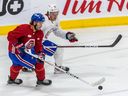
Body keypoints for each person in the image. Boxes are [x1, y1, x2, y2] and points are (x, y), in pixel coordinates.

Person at [7, 13, 52, 86]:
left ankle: (11, 80)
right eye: (39, 23)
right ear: (34, 22)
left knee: (17, 66)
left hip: (24, 53)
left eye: (42, 23)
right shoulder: (24, 28)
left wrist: (40, 53)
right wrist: (18, 45)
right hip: (15, 53)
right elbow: (10, 36)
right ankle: (41, 80)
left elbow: (38, 45)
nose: (41, 25)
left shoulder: (39, 33)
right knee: (37, 63)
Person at [41, 4, 78, 74]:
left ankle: (58, 68)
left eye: (56, 13)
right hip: (36, 41)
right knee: (57, 49)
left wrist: (67, 35)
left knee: (59, 49)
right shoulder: (43, 22)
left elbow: (57, 31)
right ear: (48, 13)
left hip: (42, 41)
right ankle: (29, 66)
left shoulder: (56, 20)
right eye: (53, 13)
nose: (55, 15)